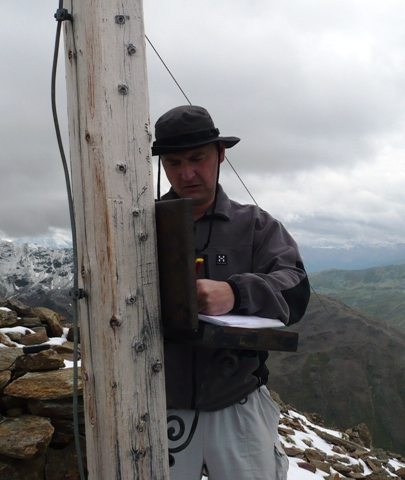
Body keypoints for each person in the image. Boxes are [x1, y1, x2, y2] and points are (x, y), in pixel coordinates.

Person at [152, 105, 310, 480]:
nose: (187, 173)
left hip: (238, 404)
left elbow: (297, 290)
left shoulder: (255, 225)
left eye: (197, 158)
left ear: (220, 154)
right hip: (161, 404)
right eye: (173, 162)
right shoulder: (142, 225)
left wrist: (236, 293)